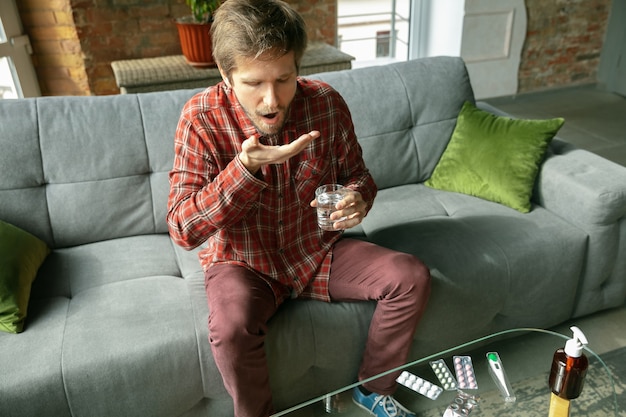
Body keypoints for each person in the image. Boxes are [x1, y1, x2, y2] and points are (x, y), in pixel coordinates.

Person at [166, 1, 431, 416]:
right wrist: (244, 169)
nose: (272, 99)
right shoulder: (200, 118)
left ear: (297, 67)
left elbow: (358, 176)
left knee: (409, 276)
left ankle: (372, 390)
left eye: (284, 79)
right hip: (243, 262)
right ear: (225, 74)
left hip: (316, 251)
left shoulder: (325, 103)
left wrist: (358, 199)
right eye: (254, 83)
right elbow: (183, 229)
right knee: (231, 329)